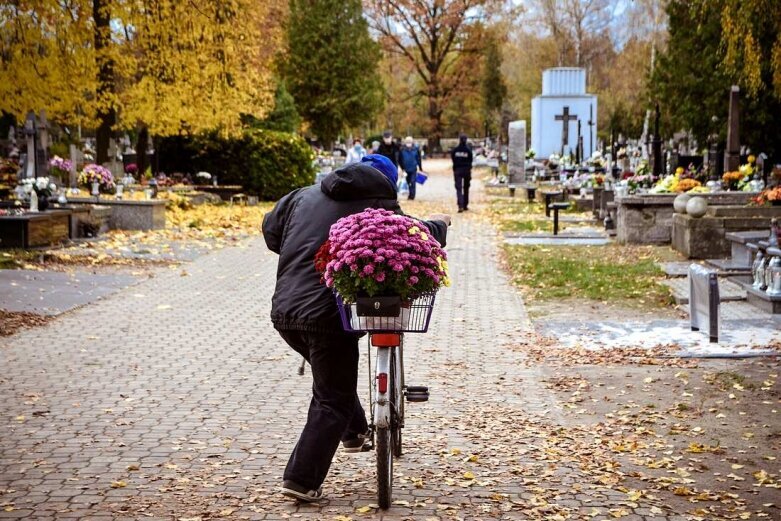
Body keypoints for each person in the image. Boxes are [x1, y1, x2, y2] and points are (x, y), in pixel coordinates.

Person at [262, 154, 450, 503]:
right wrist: (440, 225)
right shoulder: (377, 204)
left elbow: (271, 233)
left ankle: (355, 433)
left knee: (333, 376)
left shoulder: (302, 195)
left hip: (285, 310)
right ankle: (301, 479)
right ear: (387, 183)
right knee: (332, 397)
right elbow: (413, 236)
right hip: (329, 315)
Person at [451, 134, 473, 212]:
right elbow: (471, 160)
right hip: (466, 170)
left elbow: (453, 159)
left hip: (458, 170)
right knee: (466, 188)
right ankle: (465, 205)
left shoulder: (456, 150)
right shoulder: (468, 150)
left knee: (459, 188)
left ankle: (460, 205)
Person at [399, 136, 422, 200]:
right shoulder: (402, 149)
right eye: (407, 142)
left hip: (413, 168)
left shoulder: (416, 149)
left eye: (410, 142)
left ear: (412, 142)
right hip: (405, 169)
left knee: (413, 182)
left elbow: (419, 158)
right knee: (407, 182)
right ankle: (409, 194)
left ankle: (412, 196)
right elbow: (400, 159)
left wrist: (420, 167)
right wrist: (402, 168)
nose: (408, 143)